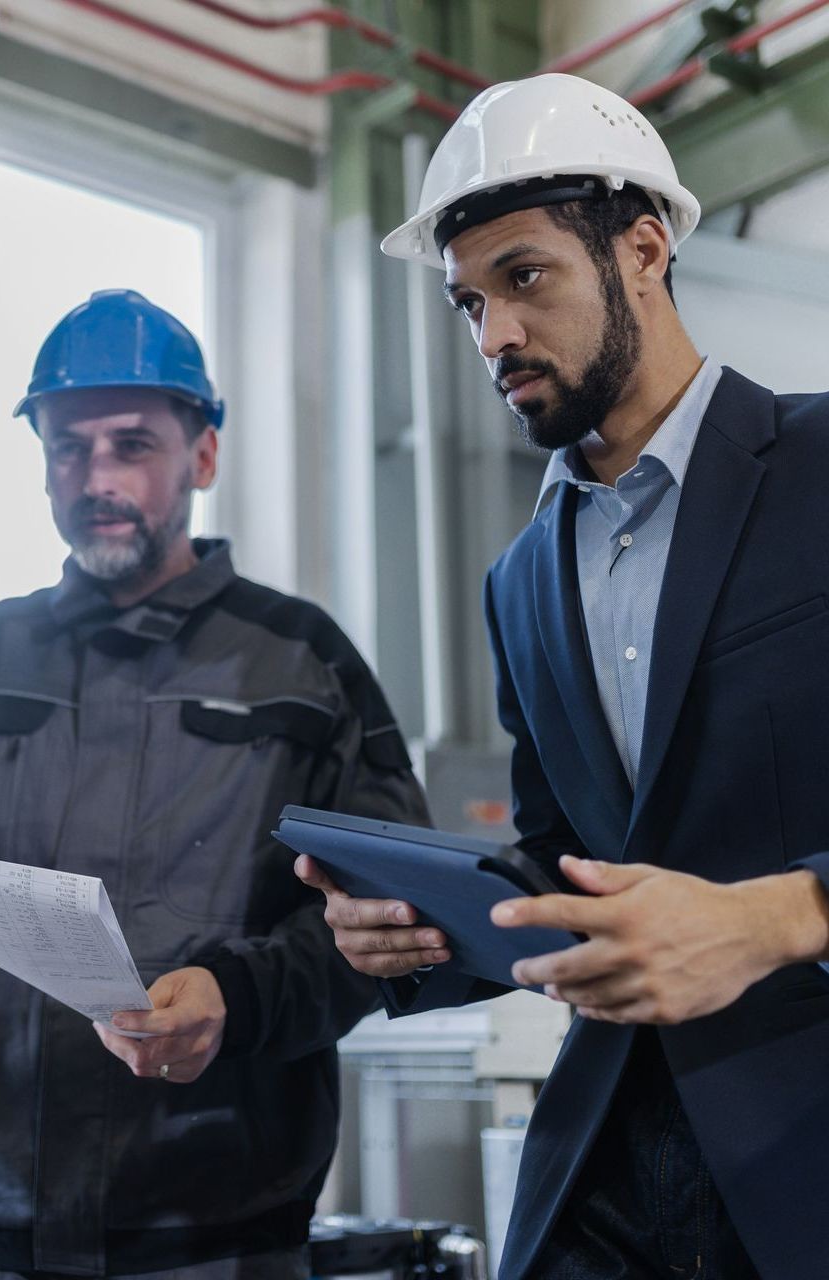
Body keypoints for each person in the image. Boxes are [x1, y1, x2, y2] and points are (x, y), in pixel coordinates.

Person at [297, 74, 829, 1280]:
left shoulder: (819, 464)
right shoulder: (520, 579)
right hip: (606, 1159)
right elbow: (559, 860)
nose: (492, 337)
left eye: (523, 278)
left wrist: (776, 915)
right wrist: (420, 932)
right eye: (465, 301)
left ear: (641, 249)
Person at [0, 289, 430, 1280]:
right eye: (66, 449)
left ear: (200, 456)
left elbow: (396, 923)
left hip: (214, 1222)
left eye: (131, 443)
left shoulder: (302, 665)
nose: (95, 476)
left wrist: (238, 996)